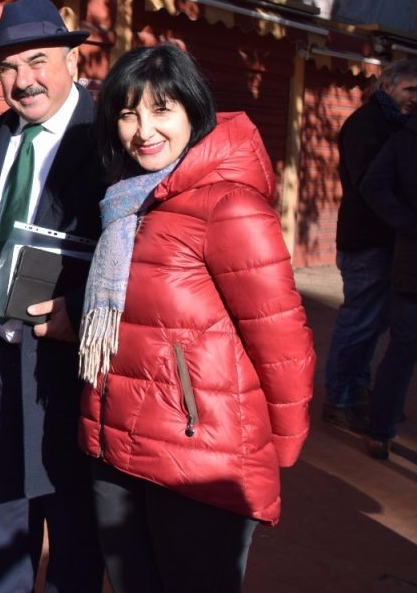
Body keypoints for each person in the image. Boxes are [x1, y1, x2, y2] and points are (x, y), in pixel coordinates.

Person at [76, 43, 315, 592]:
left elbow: (283, 341)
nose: (143, 129)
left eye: (162, 110)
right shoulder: (127, 203)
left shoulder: (228, 205)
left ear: (194, 112)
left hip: (200, 457)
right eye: (128, 112)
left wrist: (277, 448)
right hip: (118, 444)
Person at [0, 0, 105, 592]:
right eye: (8, 68)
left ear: (71, 56)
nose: (24, 81)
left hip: (67, 368)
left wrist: (79, 312)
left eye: (38, 61)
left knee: (73, 526)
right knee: (1, 517)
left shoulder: (107, 141)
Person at [323, 59, 417, 430]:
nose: (416, 98)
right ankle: (339, 399)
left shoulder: (393, 123)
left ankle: (357, 392)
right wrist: (406, 221)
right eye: (411, 89)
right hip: (366, 241)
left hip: (383, 240)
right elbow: (370, 186)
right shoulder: (367, 123)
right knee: (359, 322)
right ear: (388, 86)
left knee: (374, 324)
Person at [359, 108, 417, 460]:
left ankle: (380, 431)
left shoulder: (402, 138)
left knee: (403, 348)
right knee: (403, 347)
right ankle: (380, 430)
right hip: (412, 262)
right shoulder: (403, 140)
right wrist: (407, 223)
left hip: (410, 258)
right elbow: (372, 186)